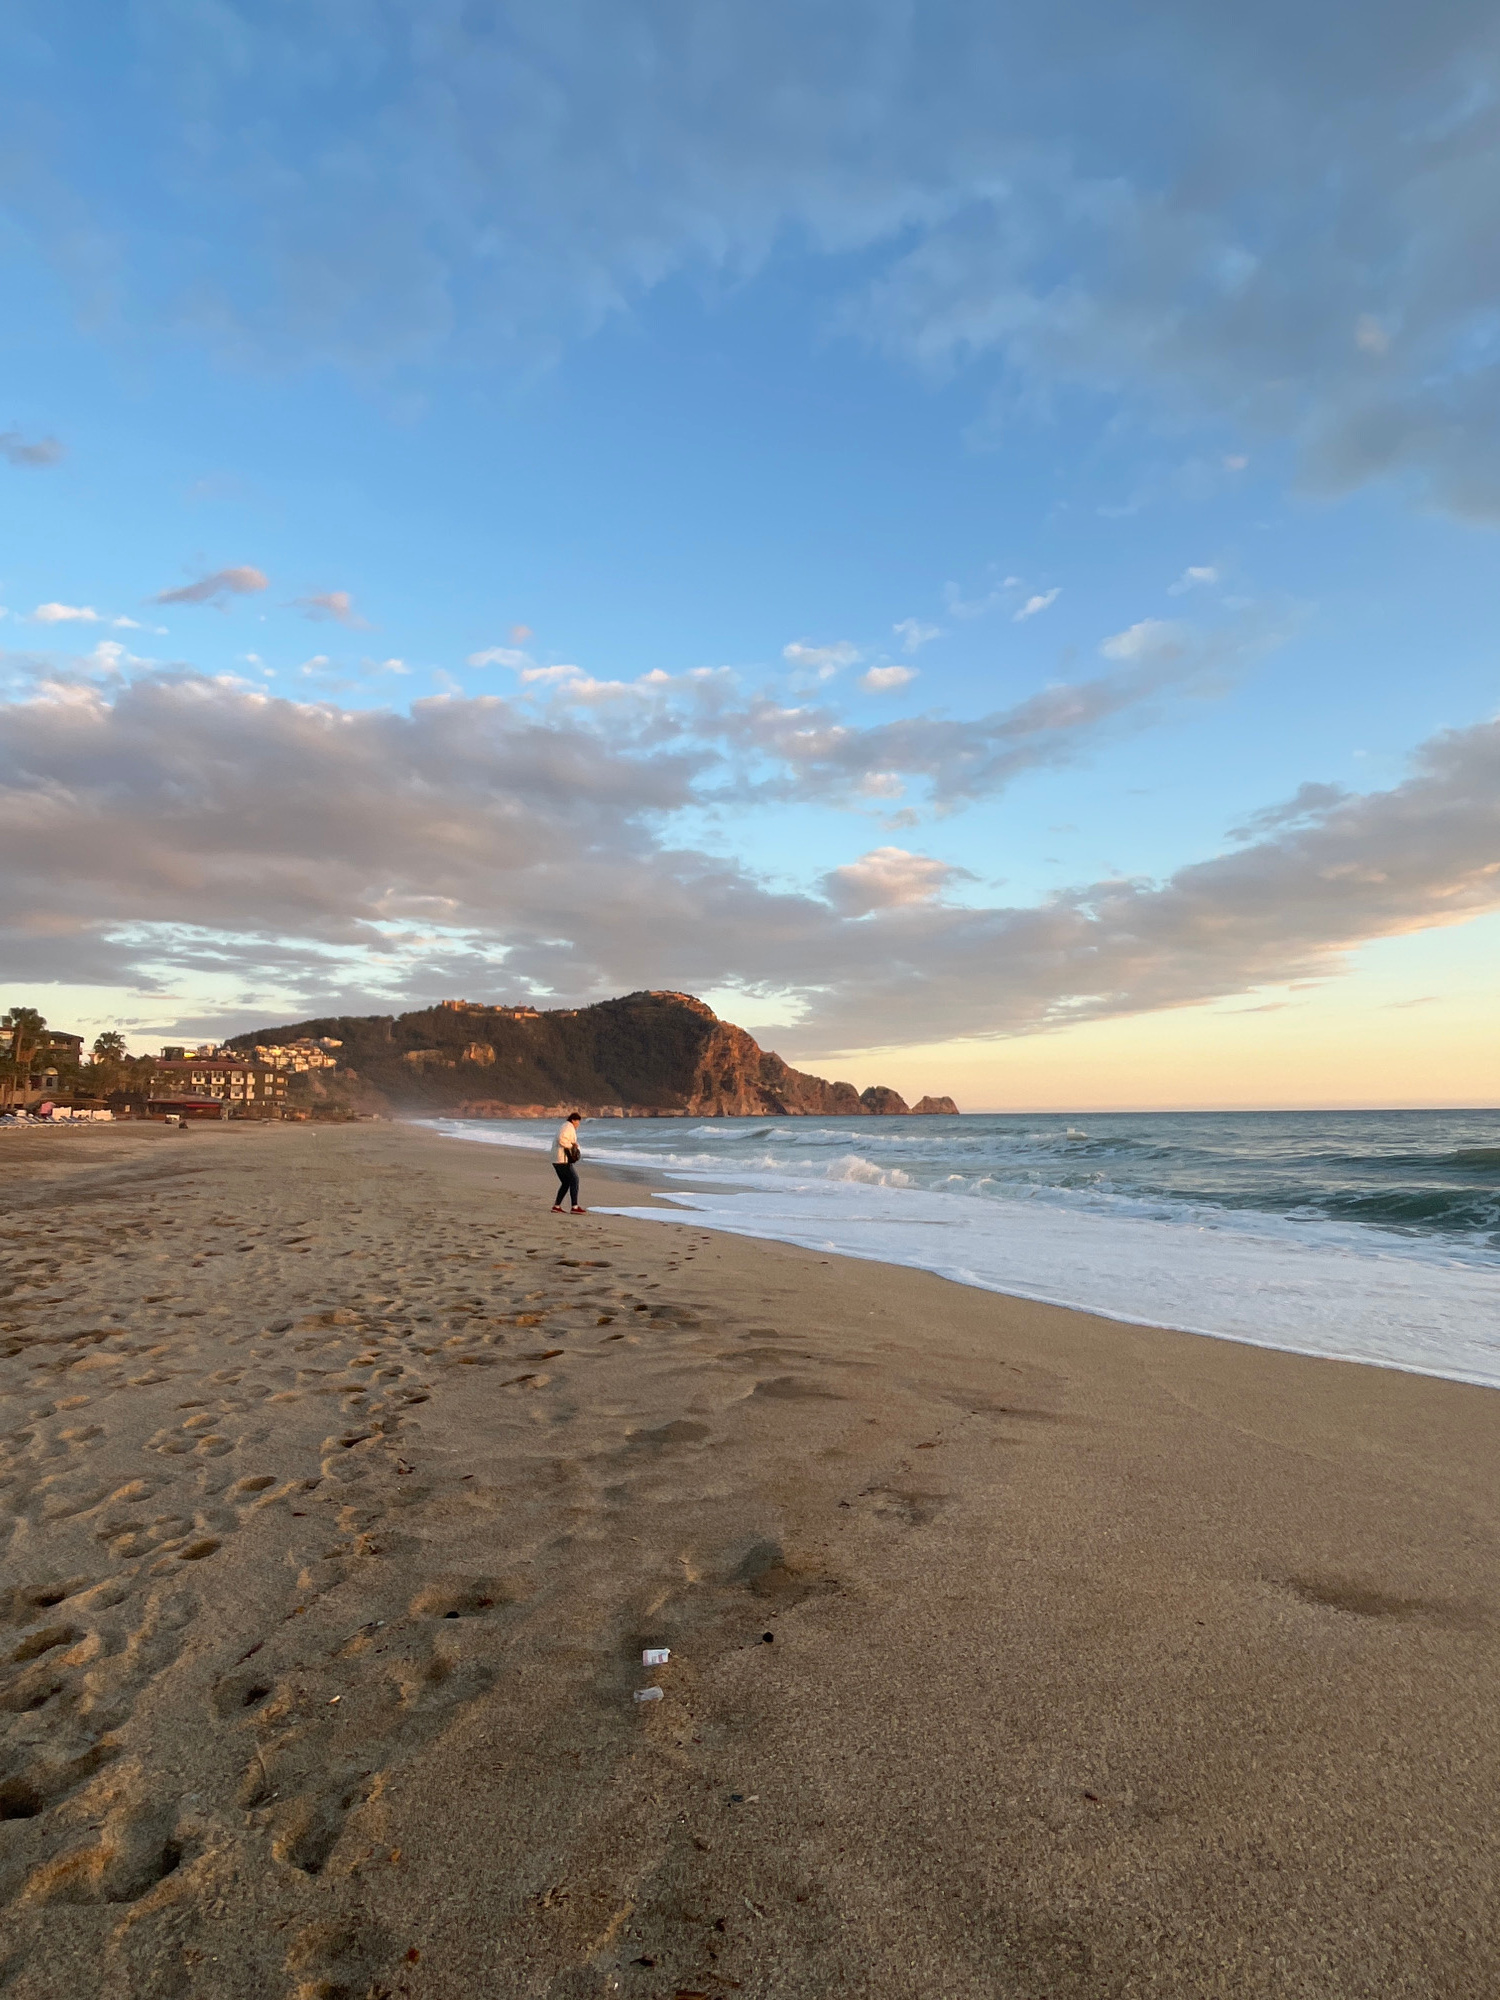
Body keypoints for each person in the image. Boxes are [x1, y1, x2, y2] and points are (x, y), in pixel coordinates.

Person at [551, 1111, 586, 1213]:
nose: (578, 1124)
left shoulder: (565, 1126)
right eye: (578, 1122)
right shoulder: (568, 1127)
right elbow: (561, 1139)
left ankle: (557, 1206)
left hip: (557, 1159)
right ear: (573, 1120)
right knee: (574, 1180)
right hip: (562, 1159)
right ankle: (574, 1207)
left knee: (566, 1182)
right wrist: (572, 1146)